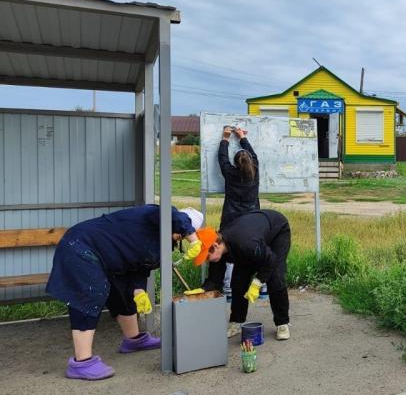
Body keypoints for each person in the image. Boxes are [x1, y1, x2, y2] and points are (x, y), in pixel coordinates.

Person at [45, 205, 204, 381]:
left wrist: (139, 292)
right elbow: (172, 214)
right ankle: (81, 363)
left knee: (123, 292)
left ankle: (134, 340)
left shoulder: (161, 243)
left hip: (106, 259)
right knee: (92, 293)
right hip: (80, 245)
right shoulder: (155, 215)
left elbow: (139, 269)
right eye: (179, 233)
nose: (177, 237)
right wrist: (194, 239)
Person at [201, 209, 291, 340]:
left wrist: (257, 283)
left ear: (215, 245)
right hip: (253, 237)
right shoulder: (219, 250)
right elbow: (215, 279)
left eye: (207, 257)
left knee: (275, 276)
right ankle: (236, 321)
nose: (206, 260)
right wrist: (202, 290)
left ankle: (282, 323)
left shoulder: (245, 243)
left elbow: (270, 259)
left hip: (277, 230)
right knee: (238, 280)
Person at [202, 125, 260, 300]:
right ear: (250, 162)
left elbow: (222, 158)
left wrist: (225, 139)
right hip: (251, 220)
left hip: (231, 219)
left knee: (227, 252)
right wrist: (242, 137)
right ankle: (256, 285)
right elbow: (254, 155)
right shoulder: (255, 172)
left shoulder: (230, 173)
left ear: (235, 164)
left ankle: (227, 288)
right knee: (249, 251)